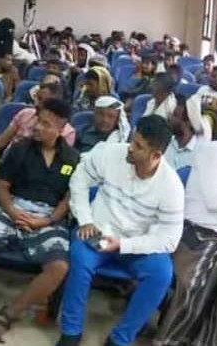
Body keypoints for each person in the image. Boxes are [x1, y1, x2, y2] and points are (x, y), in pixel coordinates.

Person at [58, 116, 183, 346]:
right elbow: (79, 178)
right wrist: (85, 219)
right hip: (98, 232)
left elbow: (169, 239)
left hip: (135, 245)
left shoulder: (171, 186)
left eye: (139, 146)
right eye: (133, 140)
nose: (130, 148)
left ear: (156, 156)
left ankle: (120, 339)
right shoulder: (111, 153)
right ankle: (71, 332)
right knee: (80, 258)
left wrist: (124, 245)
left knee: (161, 274)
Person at [0, 99, 78, 341]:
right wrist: (13, 212)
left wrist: (47, 221)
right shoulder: (20, 149)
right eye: (38, 121)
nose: (37, 127)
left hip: (47, 217)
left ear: (61, 128)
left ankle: (10, 313)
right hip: (13, 207)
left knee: (59, 267)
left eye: (46, 124)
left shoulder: (72, 158)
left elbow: (68, 199)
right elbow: (2, 187)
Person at [153, 122, 217, 346]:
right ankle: (170, 340)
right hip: (196, 235)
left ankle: (204, 341)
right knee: (196, 283)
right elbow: (215, 200)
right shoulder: (213, 152)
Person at [0, 81, 76, 150]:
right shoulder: (25, 113)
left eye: (42, 100)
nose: (37, 104)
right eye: (37, 98)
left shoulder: (67, 132)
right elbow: (1, 141)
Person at [163, 97, 206, 172]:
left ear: (188, 122)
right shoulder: (164, 143)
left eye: (175, 115)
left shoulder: (201, 152)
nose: (170, 118)